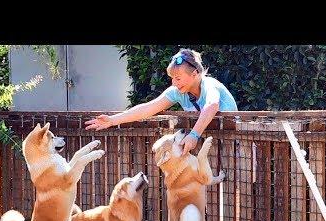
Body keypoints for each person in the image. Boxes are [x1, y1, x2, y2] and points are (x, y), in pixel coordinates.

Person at [85, 48, 238, 155]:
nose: (174, 83)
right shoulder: (178, 91)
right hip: (212, 145)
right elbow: (149, 108)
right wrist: (112, 120)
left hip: (234, 143)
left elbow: (212, 105)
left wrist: (194, 135)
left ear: (195, 73)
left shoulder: (210, 84)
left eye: (178, 78)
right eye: (172, 79)